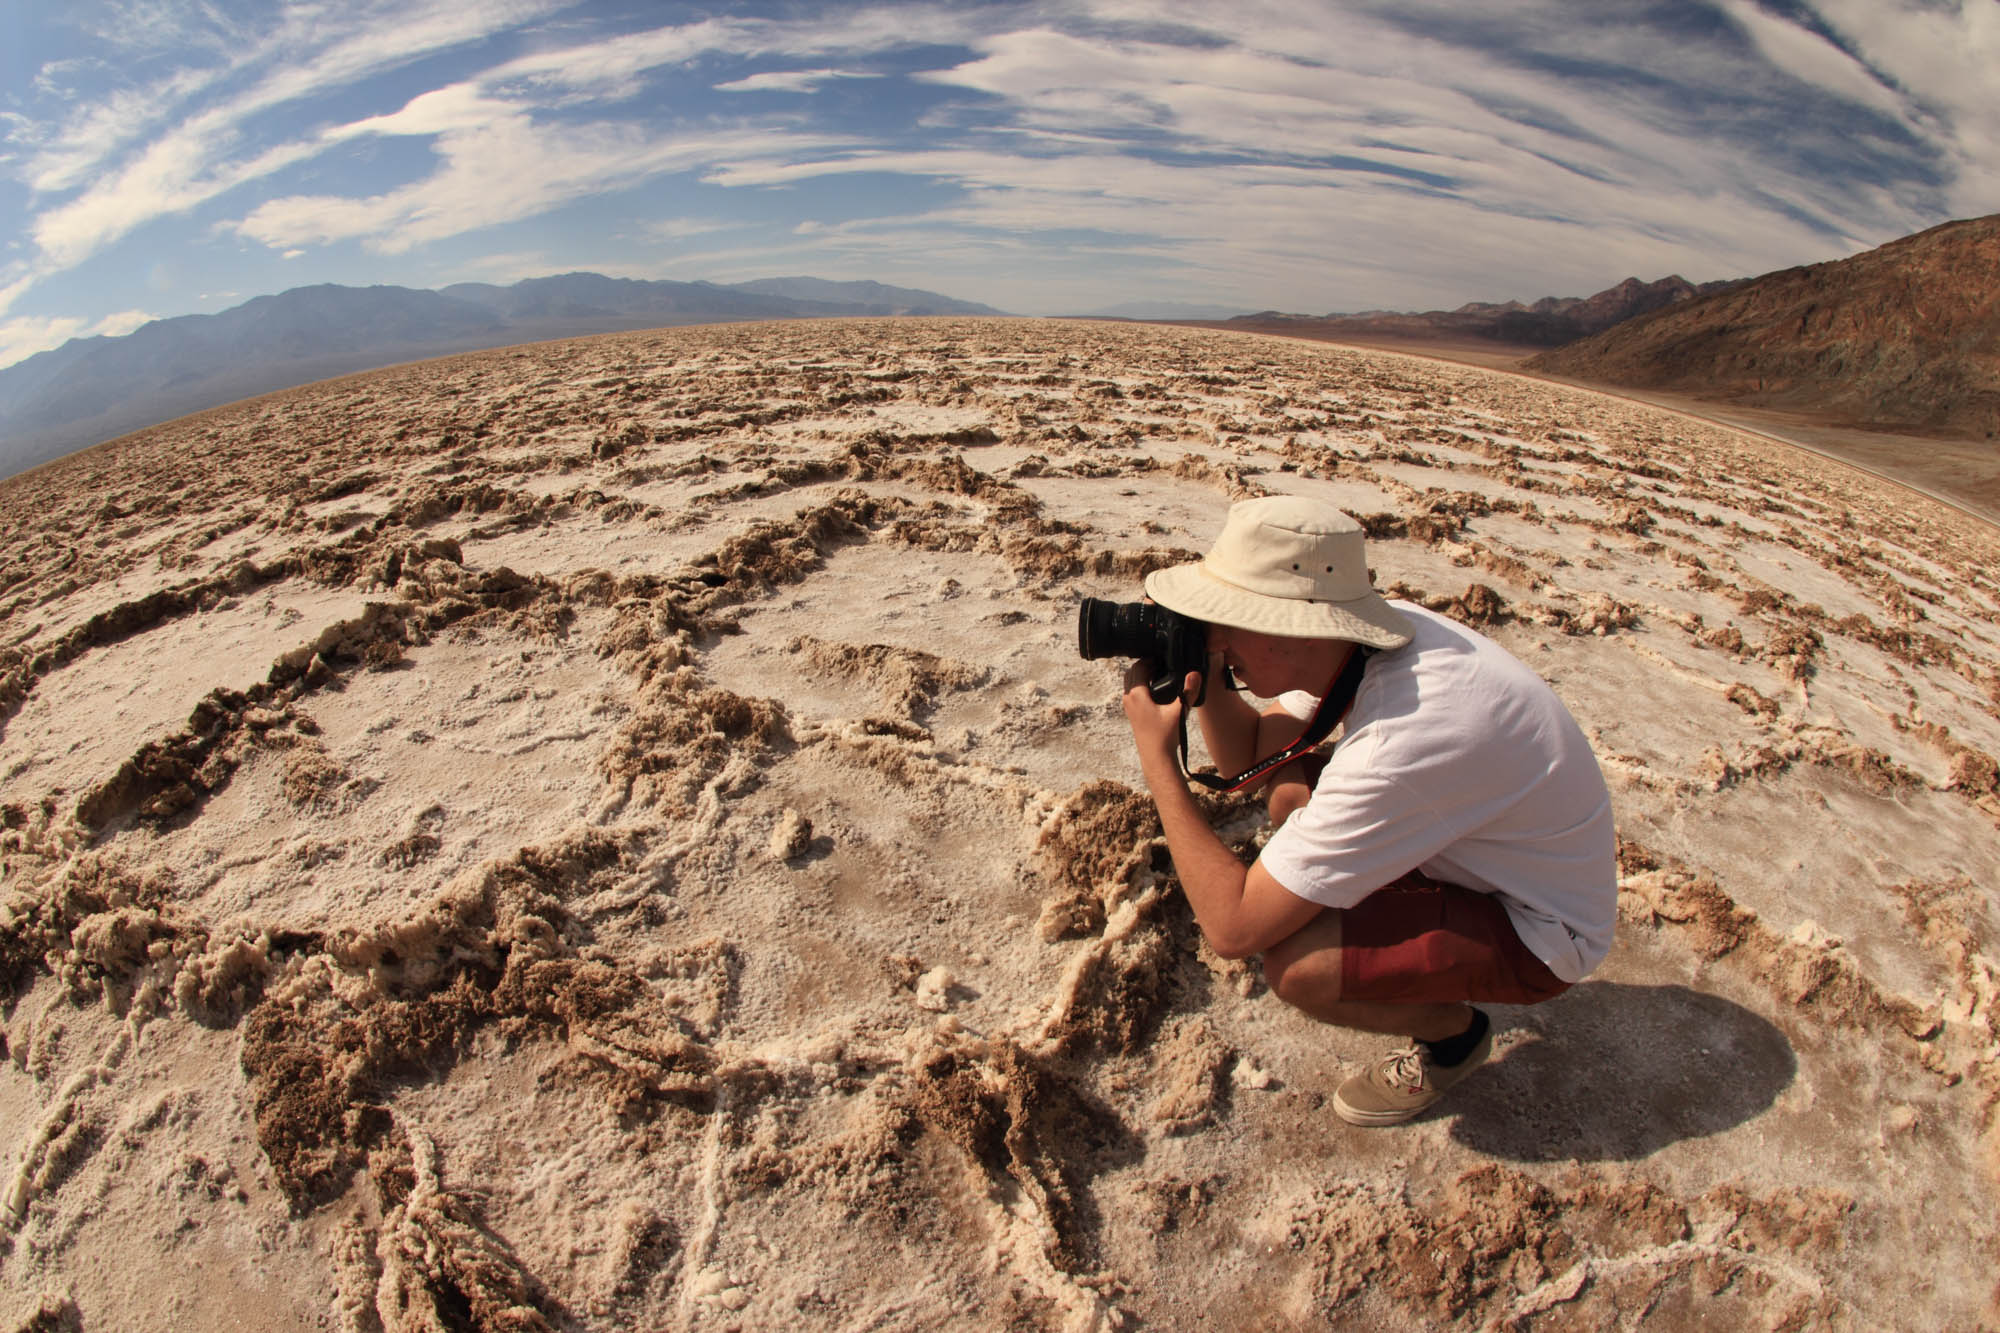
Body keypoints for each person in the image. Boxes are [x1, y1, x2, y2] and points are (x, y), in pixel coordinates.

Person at [1117, 495, 1616, 1126]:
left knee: (1300, 965)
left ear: (1286, 625)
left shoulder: (1403, 734)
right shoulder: (1355, 636)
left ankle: (1453, 1038)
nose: (1212, 635)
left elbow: (1233, 929)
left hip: (1542, 931)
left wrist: (1157, 760)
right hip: (1482, 848)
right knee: (1292, 789)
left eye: (1224, 621)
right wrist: (1207, 671)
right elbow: (1252, 760)